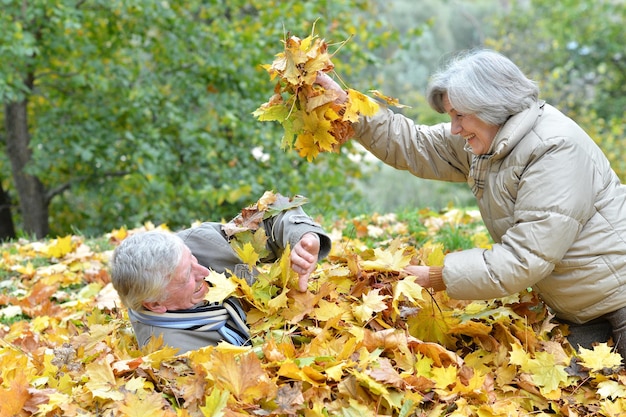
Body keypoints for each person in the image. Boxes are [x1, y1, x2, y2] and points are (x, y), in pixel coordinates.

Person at [317, 49, 626, 359]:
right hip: (578, 308)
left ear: (491, 106)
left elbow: (524, 257)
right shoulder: (487, 139)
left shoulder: (554, 149)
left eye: (459, 116)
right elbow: (415, 145)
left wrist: (437, 277)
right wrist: (349, 108)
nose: (454, 128)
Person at [110, 193, 331, 353]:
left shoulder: (195, 243)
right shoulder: (171, 354)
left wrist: (302, 237)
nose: (204, 271)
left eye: (192, 259)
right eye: (187, 276)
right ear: (156, 304)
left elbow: (272, 209)